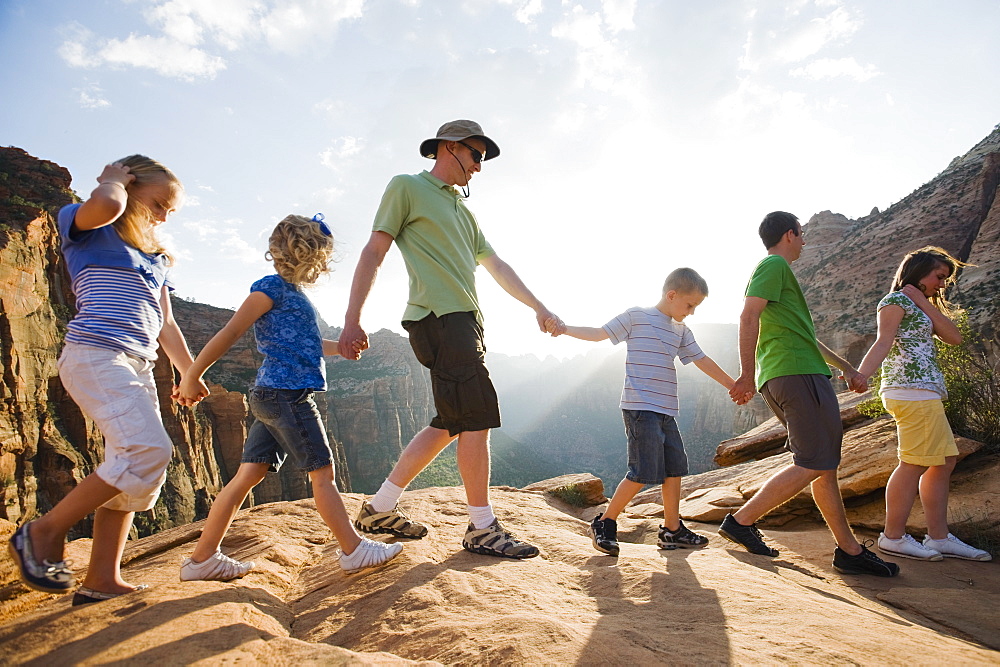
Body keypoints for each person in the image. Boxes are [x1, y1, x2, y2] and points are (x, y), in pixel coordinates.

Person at [339, 120, 561, 559]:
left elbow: (496, 265)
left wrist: (538, 306)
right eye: (476, 156)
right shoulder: (406, 187)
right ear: (449, 148)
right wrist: (352, 320)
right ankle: (481, 527)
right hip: (440, 319)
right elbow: (373, 251)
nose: (480, 167)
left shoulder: (464, 211)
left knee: (451, 421)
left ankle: (379, 508)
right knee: (476, 419)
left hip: (466, 322)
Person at [8, 156, 197, 604]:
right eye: (159, 202)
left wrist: (190, 373)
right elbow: (109, 206)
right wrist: (111, 181)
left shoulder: (154, 258)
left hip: (138, 365)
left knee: (139, 472)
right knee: (146, 449)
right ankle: (42, 532)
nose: (165, 215)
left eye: (172, 209)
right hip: (97, 355)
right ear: (129, 186)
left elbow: (166, 324)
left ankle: (101, 579)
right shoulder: (87, 224)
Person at [175, 214, 404, 579]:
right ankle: (354, 550)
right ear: (311, 255)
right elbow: (231, 331)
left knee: (247, 476)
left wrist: (341, 349)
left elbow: (309, 345)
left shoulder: (295, 296)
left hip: (272, 395)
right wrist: (192, 375)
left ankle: (202, 559)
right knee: (323, 473)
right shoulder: (270, 289)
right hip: (286, 397)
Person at [721, 211, 900, 577]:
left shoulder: (779, 274)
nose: (804, 241)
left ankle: (848, 551)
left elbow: (808, 340)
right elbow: (747, 316)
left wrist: (846, 368)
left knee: (824, 467)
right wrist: (746, 374)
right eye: (801, 234)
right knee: (815, 463)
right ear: (789, 234)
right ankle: (741, 521)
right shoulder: (773, 265)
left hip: (794, 370)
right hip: (795, 374)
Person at [552, 268, 744, 556]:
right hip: (640, 408)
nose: (691, 312)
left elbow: (702, 359)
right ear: (671, 295)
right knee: (642, 472)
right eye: (689, 305)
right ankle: (604, 522)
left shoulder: (681, 331)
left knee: (674, 469)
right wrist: (564, 328)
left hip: (666, 410)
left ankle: (671, 530)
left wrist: (733, 384)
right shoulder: (636, 317)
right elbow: (599, 334)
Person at [856, 247, 991, 562]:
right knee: (913, 463)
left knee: (943, 462)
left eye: (945, 279)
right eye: (938, 277)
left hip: (925, 392)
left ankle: (939, 537)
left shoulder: (919, 304)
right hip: (909, 391)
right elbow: (883, 341)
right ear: (917, 271)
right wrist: (862, 375)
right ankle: (892, 537)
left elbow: (954, 337)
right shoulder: (893, 302)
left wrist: (923, 302)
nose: (942, 284)